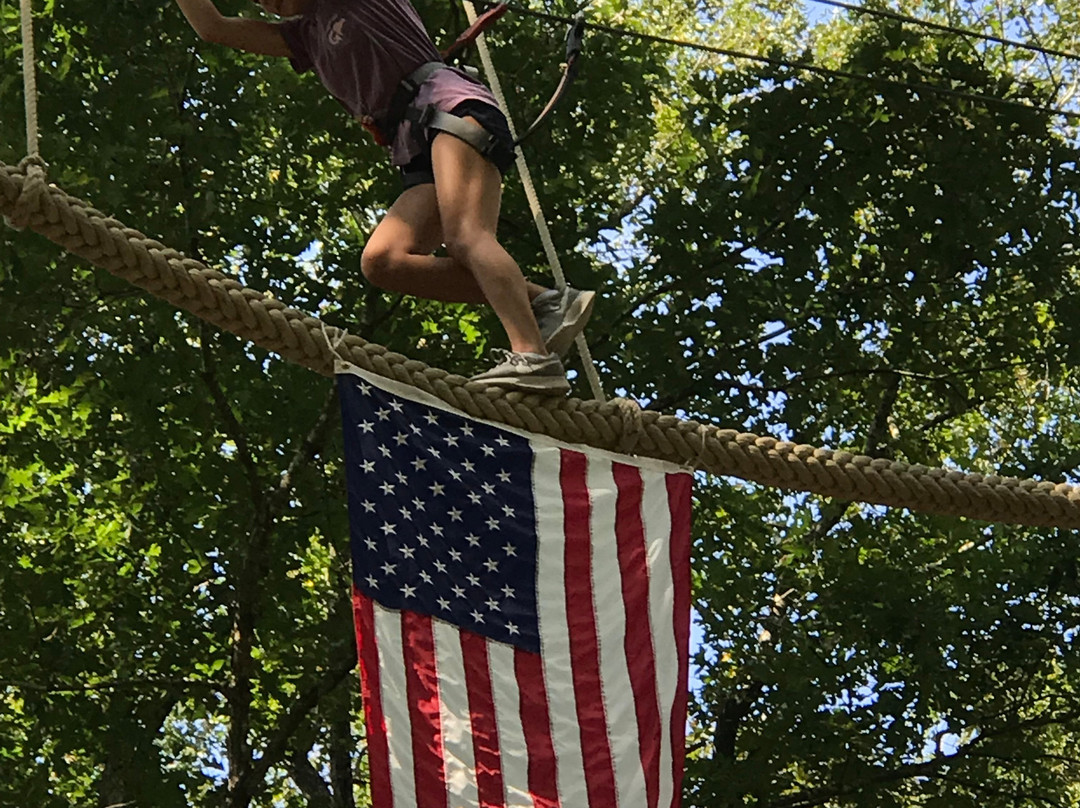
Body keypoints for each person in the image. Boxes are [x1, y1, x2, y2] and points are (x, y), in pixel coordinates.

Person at [174, 0, 594, 395]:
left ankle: (533, 358)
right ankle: (545, 301)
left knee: (465, 235)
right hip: (415, 144)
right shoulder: (303, 37)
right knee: (383, 260)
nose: (266, 2)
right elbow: (214, 28)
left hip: (449, 108)